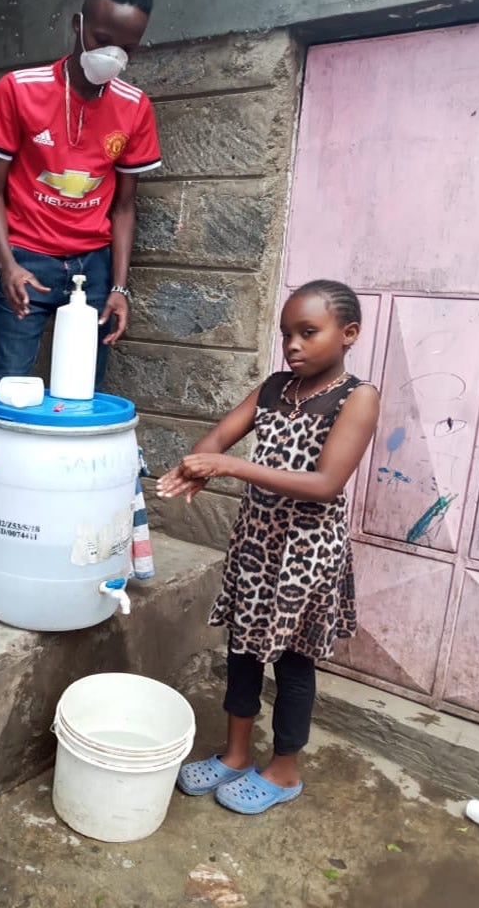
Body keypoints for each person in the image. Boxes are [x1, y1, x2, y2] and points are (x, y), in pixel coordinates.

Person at [0, 0, 175, 558]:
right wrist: (8, 266)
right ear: (78, 23)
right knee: (7, 392)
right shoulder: (19, 91)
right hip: (27, 258)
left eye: (128, 45)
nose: (112, 53)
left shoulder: (134, 107)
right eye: (103, 37)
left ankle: (68, 512)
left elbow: (124, 207)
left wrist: (120, 287)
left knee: (82, 397)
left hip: (94, 269)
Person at [157, 280, 380, 814]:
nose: (293, 345)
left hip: (307, 554)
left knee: (294, 663)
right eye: (286, 334)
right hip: (257, 545)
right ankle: (235, 754)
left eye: (308, 332)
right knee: (242, 651)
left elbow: (326, 483)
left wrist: (230, 465)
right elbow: (214, 440)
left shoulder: (358, 398)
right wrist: (200, 464)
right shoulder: (275, 387)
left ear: (348, 334)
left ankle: (283, 770)